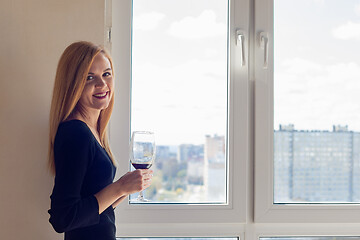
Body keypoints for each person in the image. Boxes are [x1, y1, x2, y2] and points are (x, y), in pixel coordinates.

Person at [47, 41, 153, 240]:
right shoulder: (75, 133)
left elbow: (91, 207)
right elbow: (63, 218)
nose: (102, 85)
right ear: (73, 84)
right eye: (89, 77)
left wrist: (125, 190)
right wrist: (119, 186)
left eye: (106, 74)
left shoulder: (92, 130)